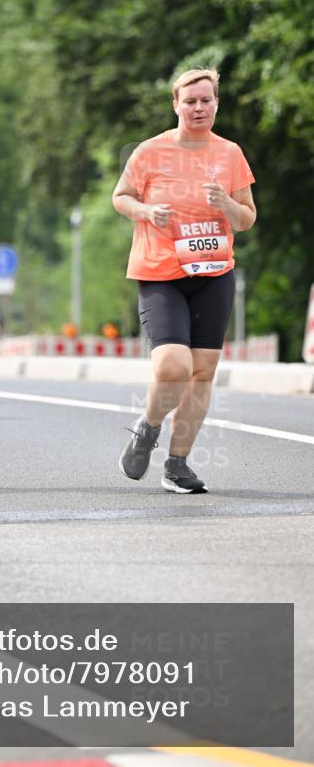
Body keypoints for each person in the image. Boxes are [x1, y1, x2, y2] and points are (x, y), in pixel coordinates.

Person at [112, 67, 256, 493]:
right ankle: (148, 427)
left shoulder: (230, 153)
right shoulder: (150, 151)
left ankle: (177, 465)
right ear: (176, 104)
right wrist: (145, 212)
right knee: (175, 366)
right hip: (161, 272)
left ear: (216, 104)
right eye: (190, 101)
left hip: (214, 272)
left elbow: (247, 219)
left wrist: (226, 202)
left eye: (206, 100)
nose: (198, 107)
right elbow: (120, 197)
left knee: (203, 373)